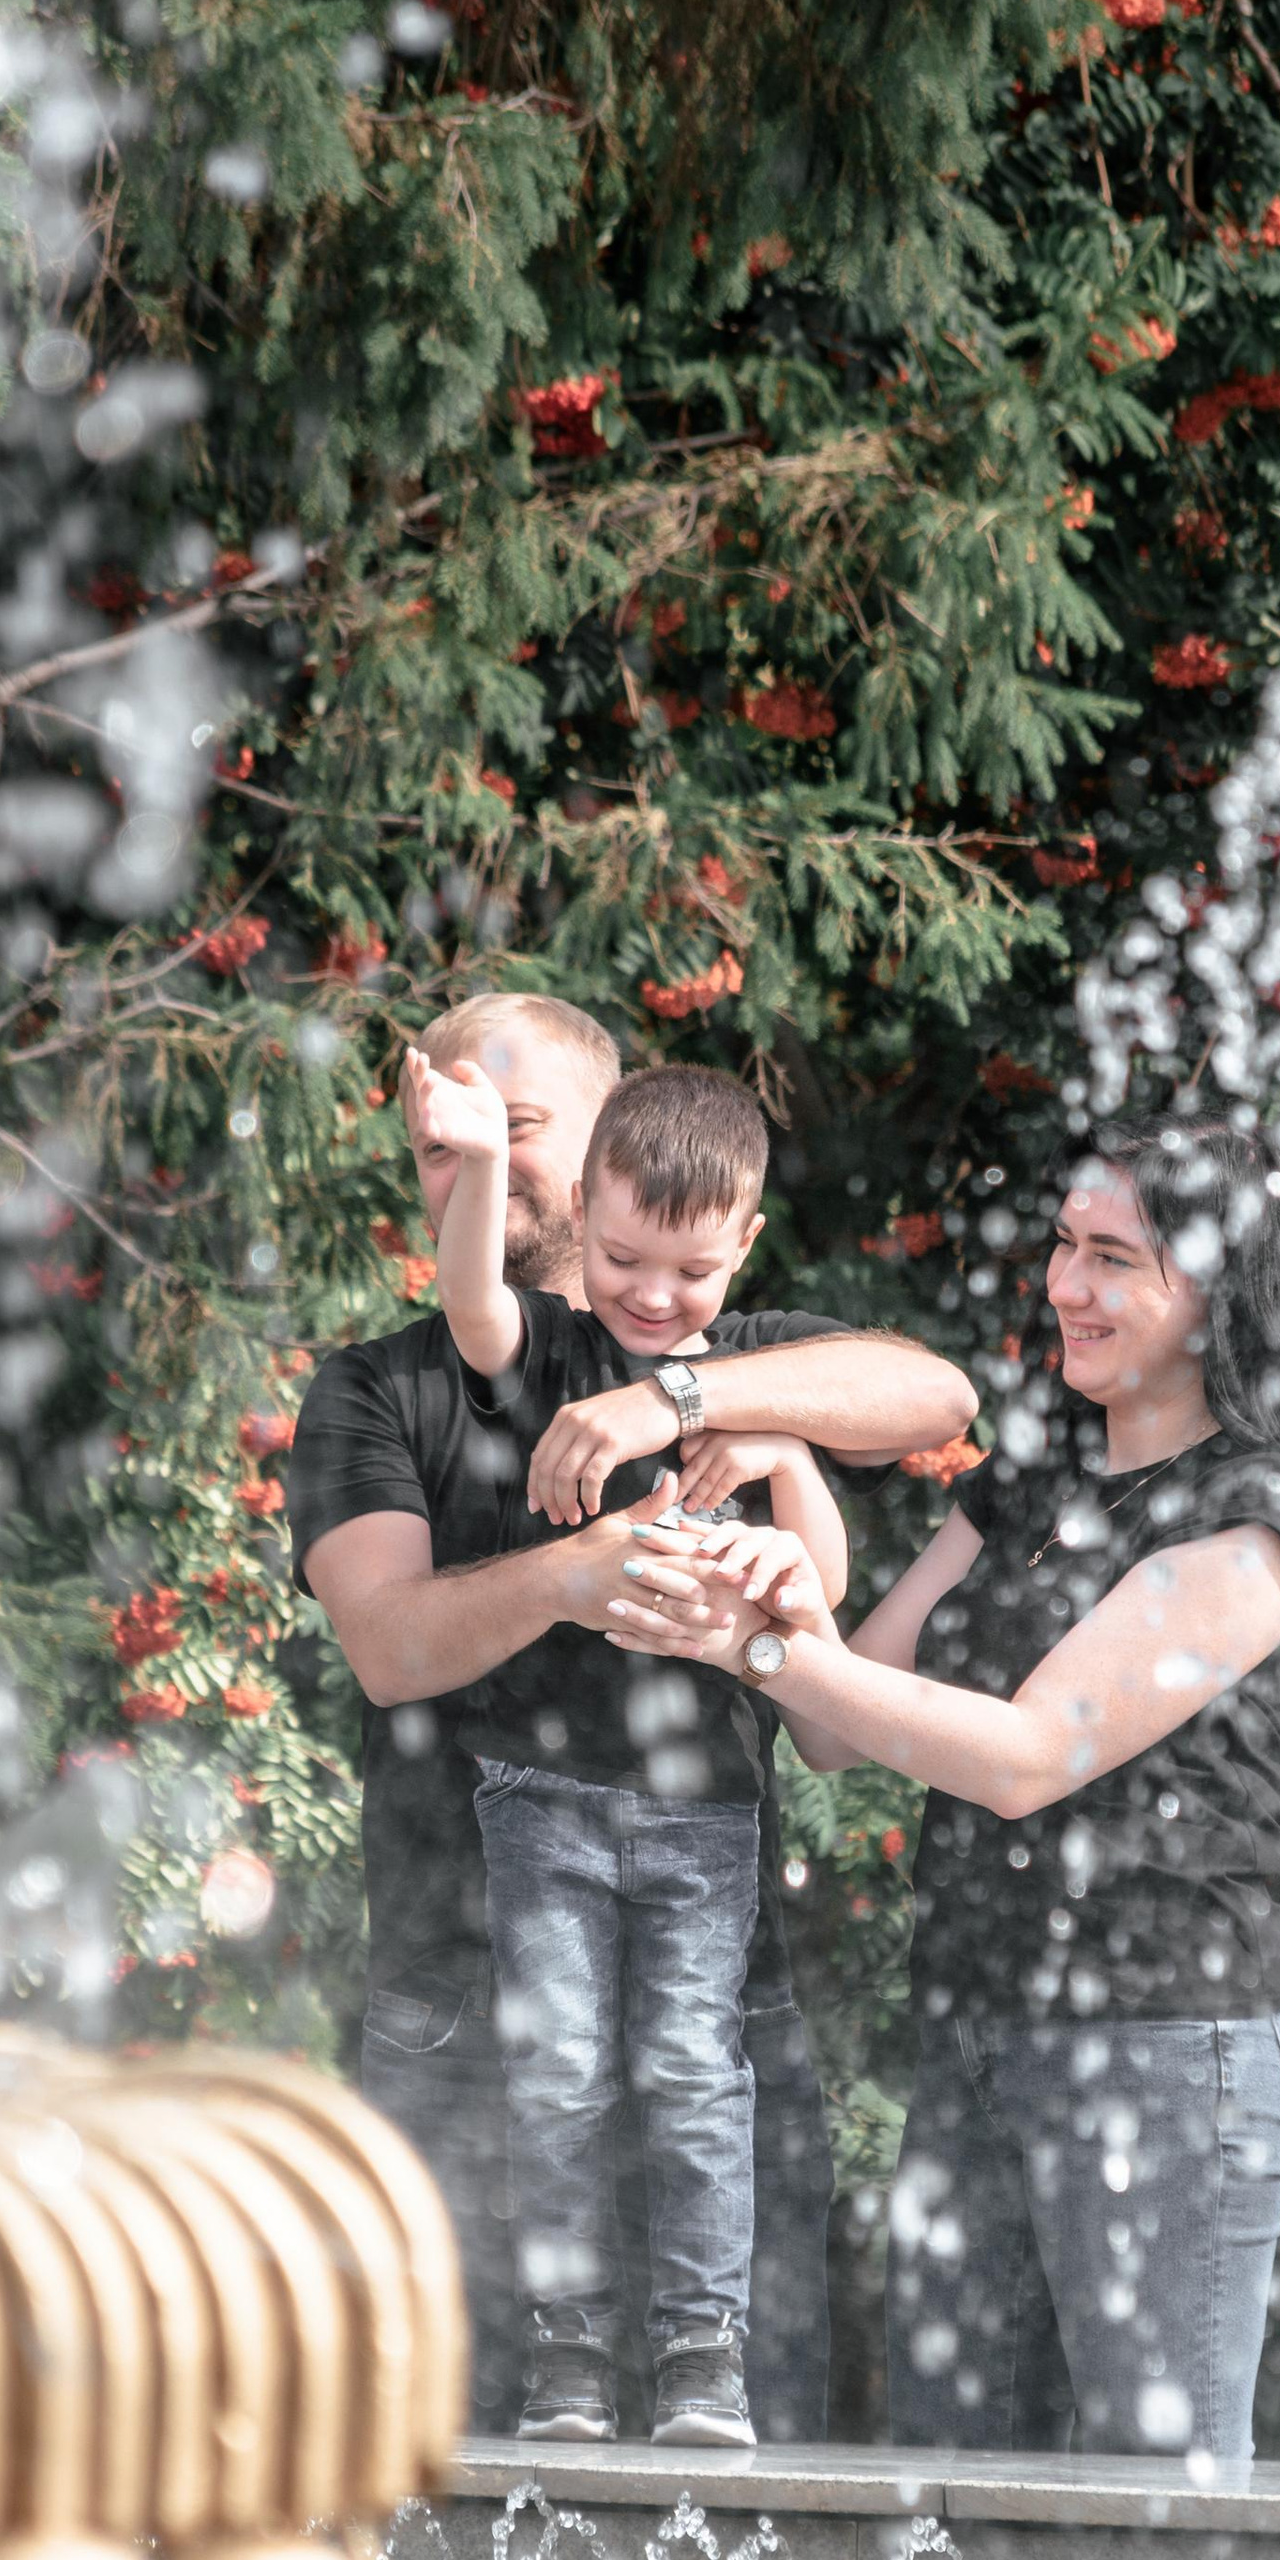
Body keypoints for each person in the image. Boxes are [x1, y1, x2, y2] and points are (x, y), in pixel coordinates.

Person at [601, 1116, 1280, 2469]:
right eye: (1065, 1246)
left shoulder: (1256, 1516)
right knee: (954, 2518)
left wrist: (761, 1652)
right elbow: (841, 1718)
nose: (1066, 1284)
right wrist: (773, 1538)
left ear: (1218, 1293)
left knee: (1152, 2519)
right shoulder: (1033, 1475)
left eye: (1114, 1259)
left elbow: (1020, 1758)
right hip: (976, 2037)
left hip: (1172, 2053)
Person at [285, 990, 979, 2437]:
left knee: (741, 2486)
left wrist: (703, 1411)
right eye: (443, 1143)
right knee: (452, 2470)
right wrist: (575, 1571)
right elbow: (393, 1648)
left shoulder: (716, 1348)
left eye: (517, 1128)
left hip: (707, 1983)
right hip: (460, 2005)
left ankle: (694, 2361)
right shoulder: (392, 1384)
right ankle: (571, 2361)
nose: (479, 1160)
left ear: (611, 1145)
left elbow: (931, 1391)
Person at [401, 1047, 855, 2445]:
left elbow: (823, 1597)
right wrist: (480, 1164)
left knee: (690, 2072)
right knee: (561, 2076)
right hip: (541, 1796)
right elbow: (473, 1302)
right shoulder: (556, 1351)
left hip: (705, 1810)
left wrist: (778, 1453)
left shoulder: (752, 1375)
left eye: (692, 1274)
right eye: (620, 1260)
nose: (655, 1300)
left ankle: (699, 2352)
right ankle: (572, 2353)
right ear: (585, 1213)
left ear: (745, 1249)